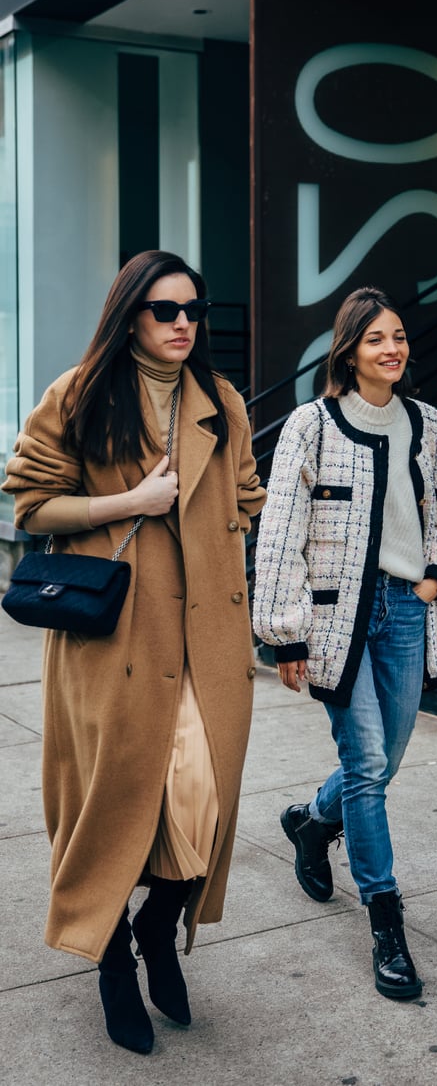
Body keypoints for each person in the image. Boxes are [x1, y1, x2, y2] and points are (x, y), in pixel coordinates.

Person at [2, 250, 265, 1054]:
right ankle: (113, 956)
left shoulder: (219, 401)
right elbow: (32, 504)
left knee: (203, 798)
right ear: (130, 316)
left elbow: (246, 495)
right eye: (165, 310)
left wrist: (222, 537)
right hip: (115, 638)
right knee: (115, 805)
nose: (184, 323)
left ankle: (157, 927)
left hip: (207, 640)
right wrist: (134, 504)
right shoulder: (78, 395)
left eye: (194, 309)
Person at [253, 285, 437, 998]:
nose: (394, 348)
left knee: (390, 756)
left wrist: (435, 580)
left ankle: (314, 822)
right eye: (377, 338)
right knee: (369, 765)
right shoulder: (310, 425)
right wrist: (286, 635)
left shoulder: (429, 425)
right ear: (349, 350)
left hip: (408, 608)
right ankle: (386, 922)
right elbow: (281, 532)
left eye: (400, 336)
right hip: (336, 618)